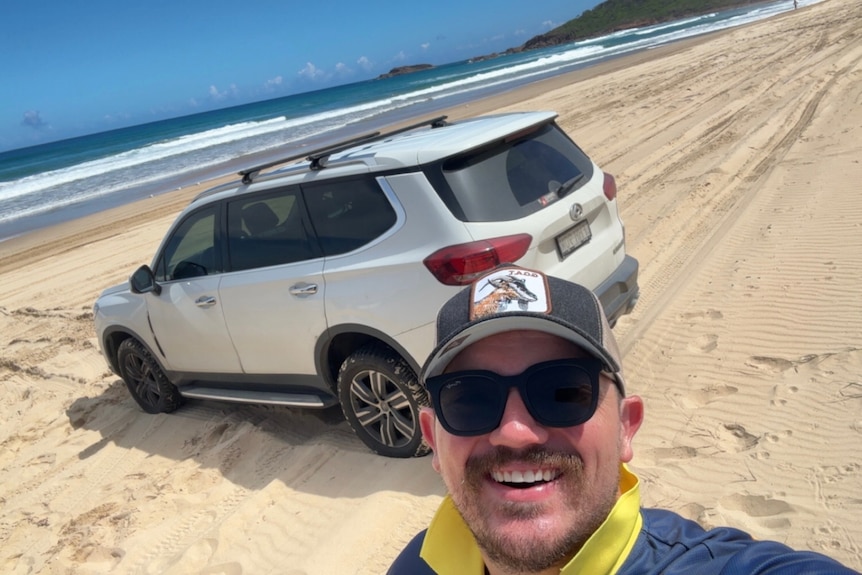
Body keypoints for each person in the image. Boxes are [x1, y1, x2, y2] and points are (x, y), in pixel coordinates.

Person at [389, 266, 857, 574]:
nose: (515, 431)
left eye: (562, 392)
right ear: (432, 439)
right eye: (470, 399)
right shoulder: (416, 565)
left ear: (626, 426)